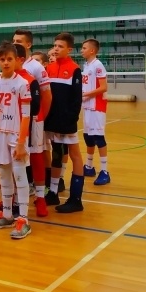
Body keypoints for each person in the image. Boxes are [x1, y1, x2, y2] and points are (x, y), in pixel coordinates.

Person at [0, 42, 32, 239]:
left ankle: (24, 219)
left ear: (16, 60)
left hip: (15, 135)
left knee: (20, 175)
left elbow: (26, 115)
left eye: (9, 59)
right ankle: (7, 214)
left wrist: (21, 142)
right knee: (2, 174)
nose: (6, 62)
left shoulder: (22, 84)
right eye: (2, 59)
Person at [44, 32, 86, 214]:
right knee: (56, 155)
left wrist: (71, 120)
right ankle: (53, 192)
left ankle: (76, 199)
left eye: (60, 46)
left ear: (69, 49)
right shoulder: (49, 68)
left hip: (66, 121)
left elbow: (77, 100)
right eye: (55, 46)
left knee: (75, 155)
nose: (56, 49)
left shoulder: (75, 69)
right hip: (52, 120)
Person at [12, 29, 52, 217]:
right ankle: (13, 198)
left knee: (36, 157)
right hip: (15, 119)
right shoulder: (11, 63)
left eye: (19, 41)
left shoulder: (36, 67)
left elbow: (47, 95)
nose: (16, 43)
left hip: (34, 118)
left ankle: (40, 198)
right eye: (14, 40)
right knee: (15, 157)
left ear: (28, 45)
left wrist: (40, 116)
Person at [80, 38, 110, 186]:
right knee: (88, 137)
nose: (81, 50)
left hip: (97, 106)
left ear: (92, 50)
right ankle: (89, 166)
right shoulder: (86, 65)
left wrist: (85, 94)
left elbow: (104, 88)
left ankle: (105, 171)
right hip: (87, 105)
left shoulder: (98, 65)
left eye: (84, 48)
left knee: (98, 137)